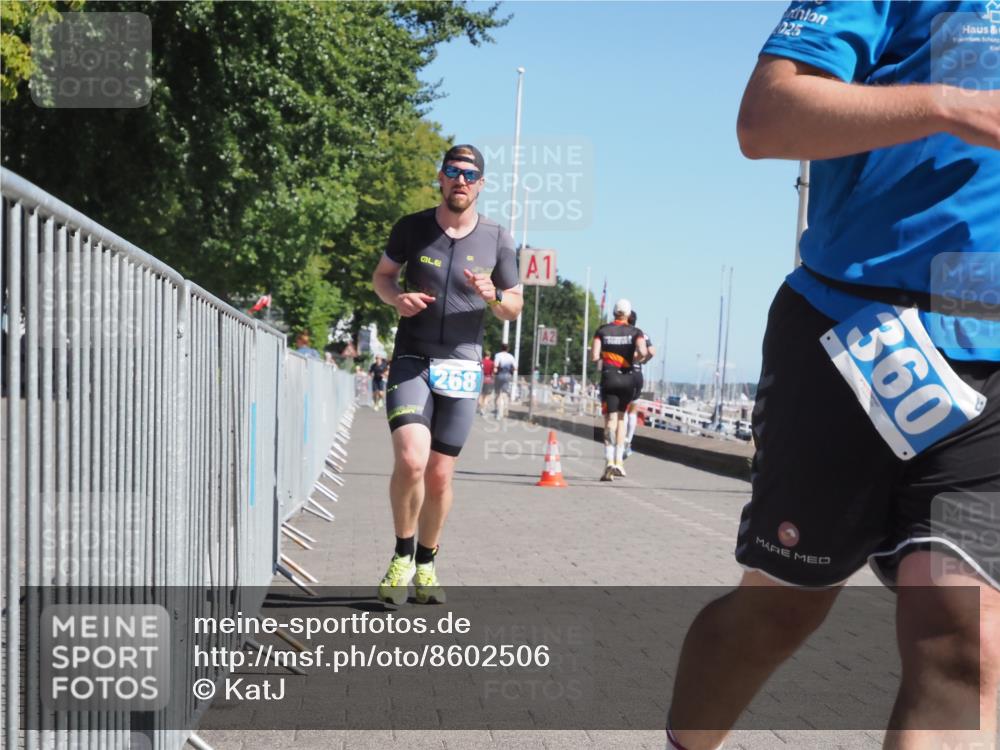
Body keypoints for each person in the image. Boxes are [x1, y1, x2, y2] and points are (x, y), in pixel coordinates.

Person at [667, 4, 999, 749]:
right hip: (855, 329)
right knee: (779, 610)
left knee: (966, 640)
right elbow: (767, 120)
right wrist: (953, 105)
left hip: (994, 361)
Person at [371, 144, 523, 606]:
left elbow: (512, 308)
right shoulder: (412, 228)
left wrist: (493, 294)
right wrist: (396, 299)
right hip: (412, 357)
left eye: (470, 174)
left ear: (481, 184)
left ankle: (427, 562)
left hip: (462, 364)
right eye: (453, 171)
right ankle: (401, 556)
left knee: (439, 475)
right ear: (440, 177)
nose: (461, 180)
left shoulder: (498, 239)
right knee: (412, 460)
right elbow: (383, 277)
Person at [591, 299, 647, 481]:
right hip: (628, 378)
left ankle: (608, 461)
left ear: (614, 313)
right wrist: (632, 358)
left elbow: (594, 356)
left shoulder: (602, 331)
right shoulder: (636, 332)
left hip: (609, 377)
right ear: (629, 315)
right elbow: (644, 352)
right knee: (622, 418)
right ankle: (619, 462)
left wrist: (608, 357)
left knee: (610, 419)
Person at [624, 310, 655, 460]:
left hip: (622, 373)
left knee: (621, 410)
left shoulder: (622, 333)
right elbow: (652, 351)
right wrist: (643, 360)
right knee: (633, 410)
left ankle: (620, 441)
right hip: (637, 374)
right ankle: (628, 442)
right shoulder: (641, 334)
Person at [493, 343, 516, 419]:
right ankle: (504, 410)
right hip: (507, 375)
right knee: (504, 393)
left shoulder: (498, 355)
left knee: (497, 394)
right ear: (508, 349)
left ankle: (497, 411)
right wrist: (510, 371)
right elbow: (515, 368)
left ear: (501, 348)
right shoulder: (511, 356)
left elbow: (495, 366)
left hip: (500, 375)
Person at [479, 350, 494, 416]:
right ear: (489, 355)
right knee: (486, 396)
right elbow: (493, 373)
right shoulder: (492, 363)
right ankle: (483, 409)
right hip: (488, 380)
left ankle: (480, 407)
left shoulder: (481, 362)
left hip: (481, 379)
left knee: (480, 395)